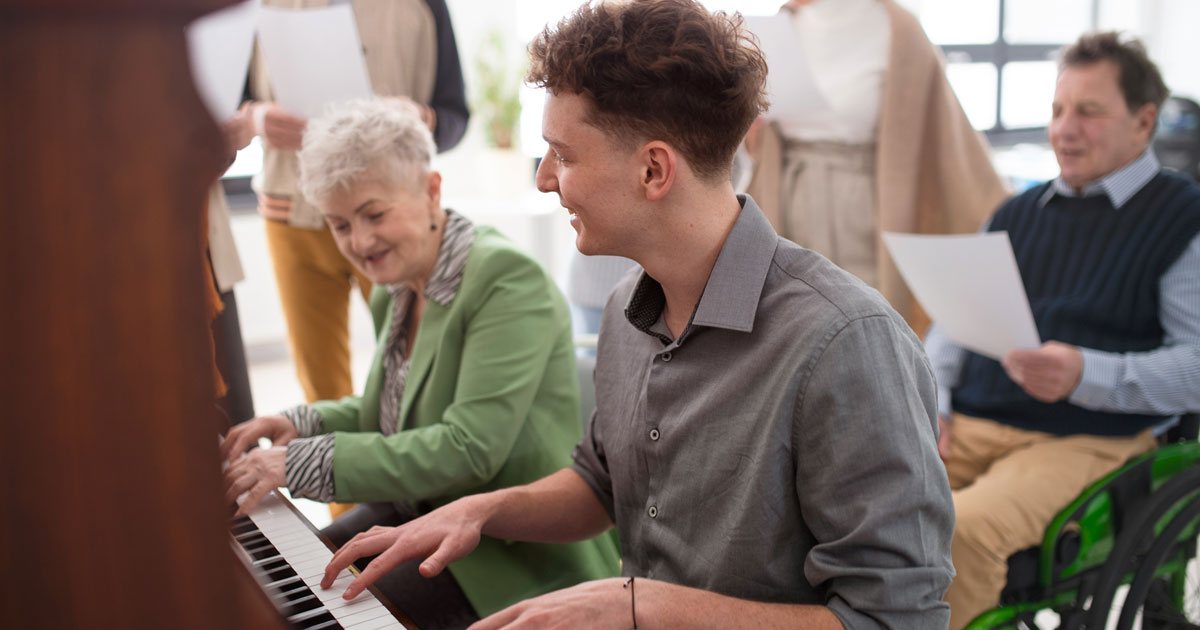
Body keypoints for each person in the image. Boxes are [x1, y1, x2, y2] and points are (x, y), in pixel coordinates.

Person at [321, 2, 955, 628]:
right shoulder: (628, 307)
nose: (545, 179)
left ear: (654, 169)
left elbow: (896, 620)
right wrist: (479, 511)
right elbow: (602, 484)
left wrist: (642, 606)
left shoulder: (845, 342)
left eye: (563, 155)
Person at [220, 99, 619, 630]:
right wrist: (303, 423)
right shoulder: (400, 284)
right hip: (418, 515)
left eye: (374, 215)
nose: (359, 243)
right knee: (272, 590)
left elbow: (466, 448)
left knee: (305, 611)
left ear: (432, 190)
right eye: (340, 225)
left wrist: (299, 464)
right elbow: (390, 410)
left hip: (504, 553)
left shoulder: (506, 280)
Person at [924, 32, 1200, 629]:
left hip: (1088, 441)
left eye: (1089, 111)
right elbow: (953, 324)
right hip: (968, 426)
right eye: (1056, 110)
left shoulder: (1181, 218)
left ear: (1144, 120)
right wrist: (935, 398)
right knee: (852, 505)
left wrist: (1086, 374)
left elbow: (1197, 369)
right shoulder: (1013, 214)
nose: (1064, 129)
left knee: (958, 530)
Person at [245, 0, 469, 408]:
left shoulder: (424, 6)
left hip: (395, 215)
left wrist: (418, 117)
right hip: (290, 216)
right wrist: (257, 118)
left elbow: (455, 117)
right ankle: (336, 467)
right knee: (320, 386)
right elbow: (225, 99)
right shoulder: (261, 7)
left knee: (420, 372)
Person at [745, 0, 1008, 331]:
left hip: (865, 204)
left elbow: (945, 133)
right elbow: (753, 136)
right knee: (790, 320)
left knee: (865, 324)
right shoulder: (780, 25)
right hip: (787, 197)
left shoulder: (899, 28)